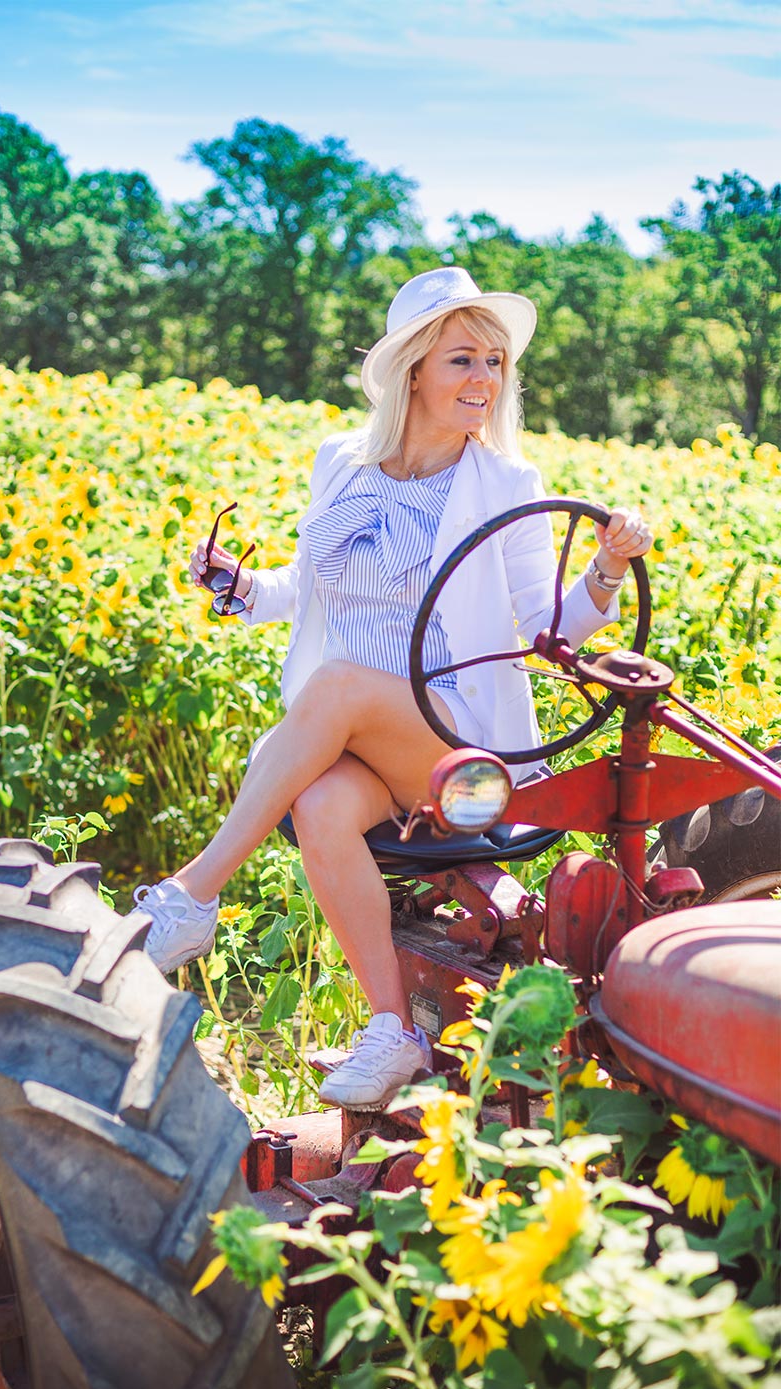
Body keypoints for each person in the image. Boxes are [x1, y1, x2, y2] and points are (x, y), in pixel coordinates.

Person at [130, 267, 652, 1110]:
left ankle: (193, 895)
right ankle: (392, 1033)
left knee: (336, 688)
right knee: (324, 803)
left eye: (493, 362)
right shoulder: (342, 463)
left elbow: (552, 624)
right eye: (462, 361)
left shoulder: (505, 486)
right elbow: (308, 587)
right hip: (364, 737)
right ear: (413, 370)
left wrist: (608, 566)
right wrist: (240, 586)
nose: (484, 379)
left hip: (466, 765)